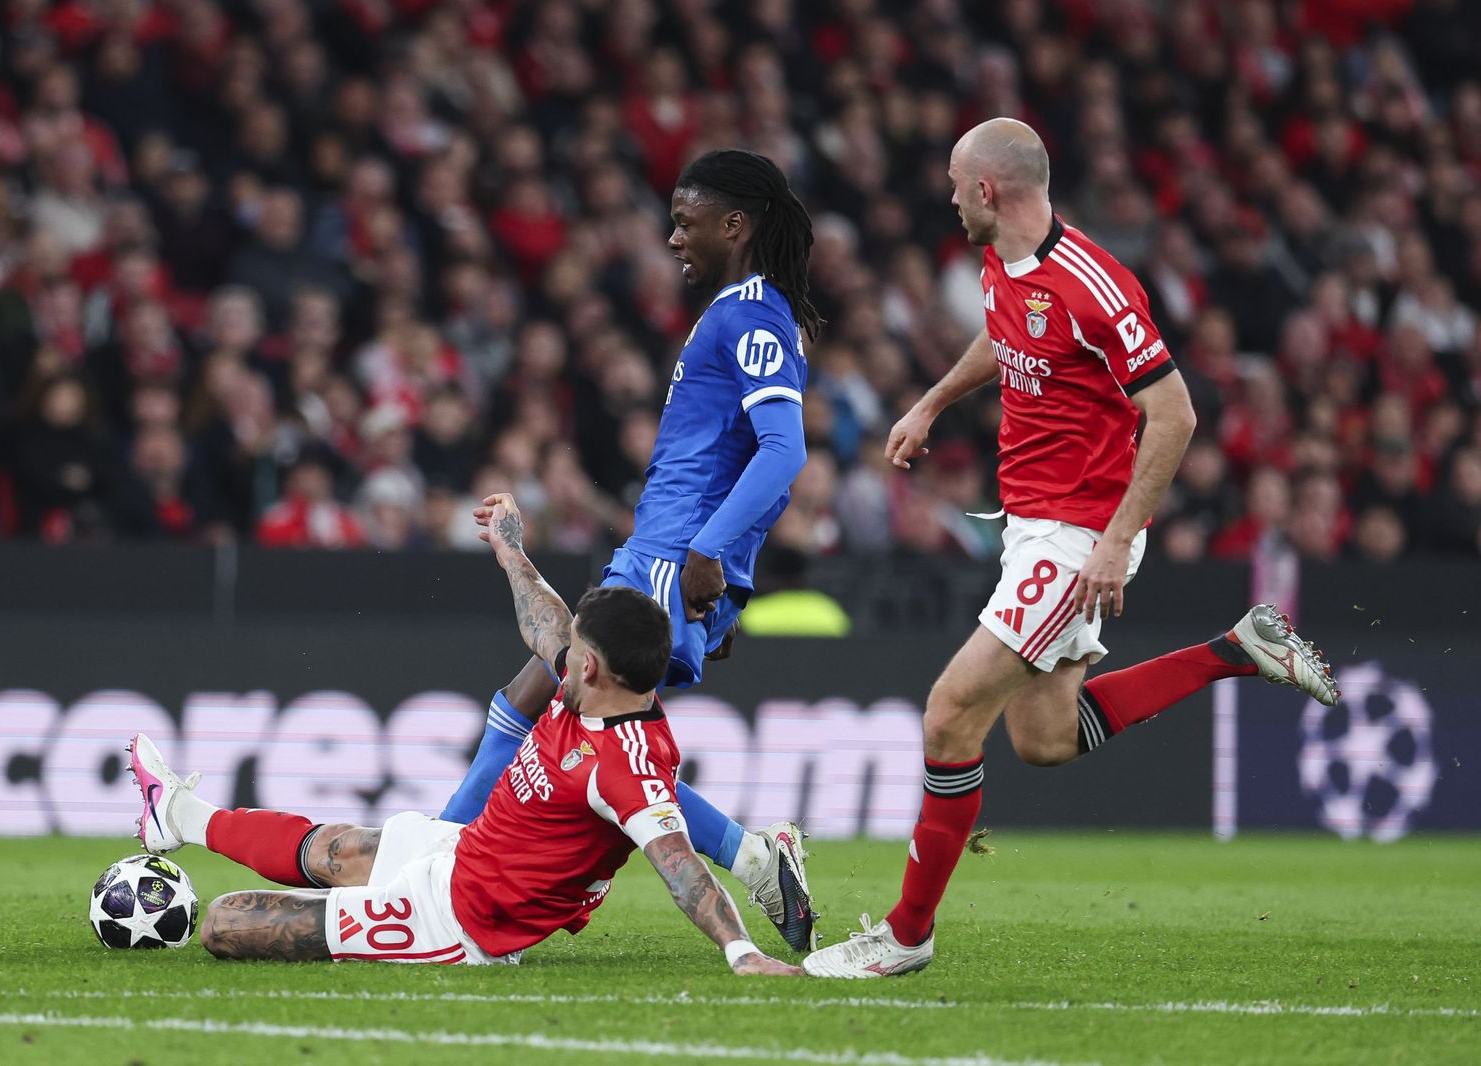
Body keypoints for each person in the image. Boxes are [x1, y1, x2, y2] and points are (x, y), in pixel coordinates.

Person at [801, 119, 1341, 979]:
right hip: (1033, 525)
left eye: (956, 183)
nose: (948, 197)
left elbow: (1175, 414)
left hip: (1080, 533)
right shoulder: (1002, 261)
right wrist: (932, 403)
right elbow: (1005, 335)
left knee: (949, 713)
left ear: (988, 190)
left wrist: (1115, 541)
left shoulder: (1098, 286)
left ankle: (905, 935)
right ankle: (1238, 650)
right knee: (1046, 738)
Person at [128, 492, 801, 975]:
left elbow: (683, 872)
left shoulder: (626, 767)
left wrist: (743, 953)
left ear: (590, 667)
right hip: (460, 855)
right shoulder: (598, 687)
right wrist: (510, 550)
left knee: (225, 921)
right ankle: (178, 816)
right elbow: (543, 620)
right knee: (337, 846)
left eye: (572, 649)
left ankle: (355, 914)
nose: (559, 652)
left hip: (457, 922)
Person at [435, 149, 822, 950]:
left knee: (568, 701)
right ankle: (752, 857)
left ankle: (441, 857)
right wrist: (726, 577)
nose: (673, 237)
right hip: (672, 551)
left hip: (672, 552)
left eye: (686, 222)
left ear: (734, 225)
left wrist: (708, 555)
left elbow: (784, 451)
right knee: (560, 704)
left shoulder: (750, 314)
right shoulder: (749, 311)